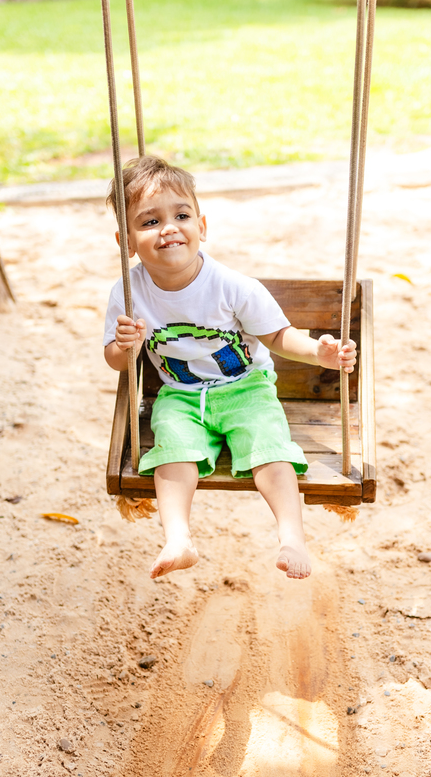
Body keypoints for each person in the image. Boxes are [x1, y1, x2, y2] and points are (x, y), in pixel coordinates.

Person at [103, 156, 356, 581]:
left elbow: (277, 335)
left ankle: (292, 538)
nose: (168, 228)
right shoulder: (128, 293)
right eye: (150, 221)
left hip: (246, 389)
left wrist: (319, 353)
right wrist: (125, 345)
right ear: (126, 241)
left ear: (201, 226)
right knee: (172, 450)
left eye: (181, 216)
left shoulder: (232, 287)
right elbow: (114, 360)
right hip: (180, 396)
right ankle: (179, 539)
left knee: (270, 448)